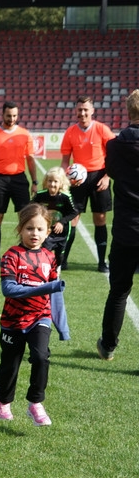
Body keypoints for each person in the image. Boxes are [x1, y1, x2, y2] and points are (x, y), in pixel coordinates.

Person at [0, 203, 63, 427]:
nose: (35, 233)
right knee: (10, 364)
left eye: (40, 229)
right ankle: (3, 401)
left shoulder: (50, 257)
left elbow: (56, 294)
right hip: (13, 320)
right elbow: (9, 289)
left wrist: (63, 326)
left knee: (41, 357)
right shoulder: (11, 255)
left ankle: (35, 403)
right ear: (20, 229)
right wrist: (42, 288)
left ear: (47, 232)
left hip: (40, 317)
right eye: (29, 228)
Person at [97, 89, 139, 362]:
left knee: (119, 291)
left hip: (126, 230)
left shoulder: (114, 145)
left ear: (128, 111)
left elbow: (111, 171)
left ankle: (108, 345)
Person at [59, 95, 114, 271]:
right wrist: (63, 178)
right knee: (72, 218)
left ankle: (101, 262)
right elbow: (65, 160)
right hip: (77, 181)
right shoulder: (70, 132)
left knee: (100, 219)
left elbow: (113, 155)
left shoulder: (102, 129)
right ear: (76, 111)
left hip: (99, 178)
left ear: (92, 111)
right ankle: (63, 260)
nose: (82, 113)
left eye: (85, 110)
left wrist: (107, 177)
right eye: (79, 110)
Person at [0, 101, 38, 268]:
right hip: (0, 180)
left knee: (25, 217)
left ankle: (25, 256)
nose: (11, 119)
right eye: (8, 116)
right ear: (2, 115)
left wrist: (34, 182)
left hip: (19, 179)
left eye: (14, 116)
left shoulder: (24, 134)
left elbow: (30, 160)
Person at [32, 167, 76, 341]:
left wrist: (62, 222)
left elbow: (73, 212)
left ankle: (56, 272)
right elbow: (31, 207)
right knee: (44, 251)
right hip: (47, 233)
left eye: (55, 182)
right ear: (46, 182)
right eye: (50, 181)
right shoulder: (41, 195)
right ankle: (43, 273)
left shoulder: (65, 197)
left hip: (62, 233)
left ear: (61, 183)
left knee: (59, 257)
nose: (52, 184)